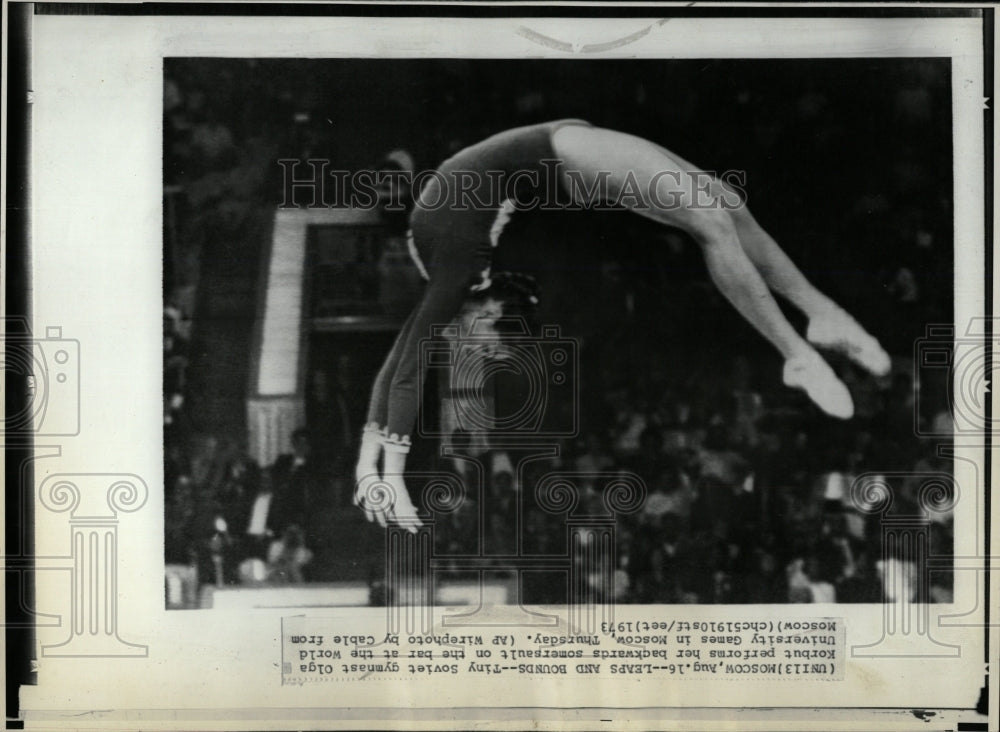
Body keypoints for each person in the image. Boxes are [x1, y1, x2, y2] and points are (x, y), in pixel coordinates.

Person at [354, 119, 891, 531]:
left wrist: (392, 478)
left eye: (493, 338)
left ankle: (798, 348)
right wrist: (367, 471)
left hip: (563, 150)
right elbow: (395, 367)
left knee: (714, 218)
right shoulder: (460, 275)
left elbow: (406, 371)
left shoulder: (457, 271)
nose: (492, 343)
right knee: (723, 210)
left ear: (478, 317)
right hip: (564, 152)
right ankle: (817, 318)